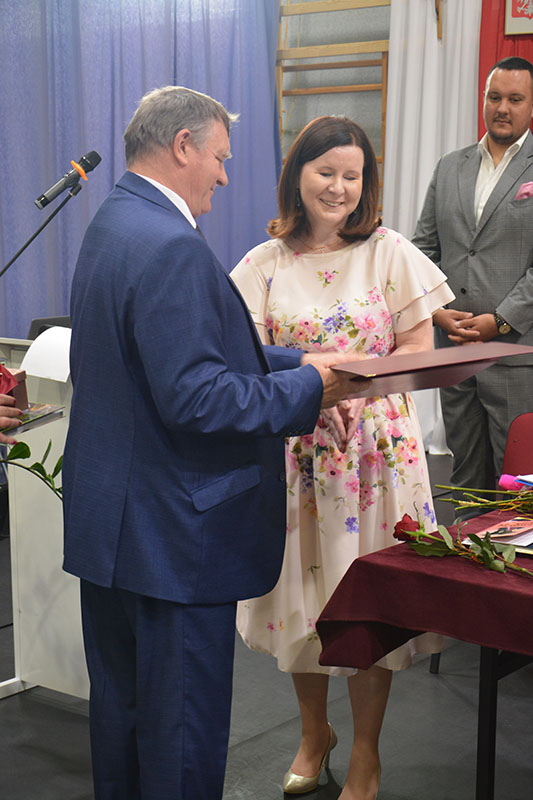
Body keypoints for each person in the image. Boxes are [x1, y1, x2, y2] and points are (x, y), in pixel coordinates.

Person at [61, 87, 358, 800]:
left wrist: (299, 362)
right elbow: (198, 396)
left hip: (116, 530)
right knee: (179, 745)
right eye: (220, 157)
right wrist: (311, 389)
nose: (225, 176)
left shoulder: (114, 221)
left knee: (124, 731)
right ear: (183, 146)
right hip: (173, 540)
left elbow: (174, 352)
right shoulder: (172, 245)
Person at [231, 115, 453, 800]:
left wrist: (363, 386)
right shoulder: (262, 264)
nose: (338, 187)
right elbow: (245, 359)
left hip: (376, 457)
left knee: (368, 600)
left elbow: (419, 349)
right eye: (325, 172)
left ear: (366, 183)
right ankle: (313, 732)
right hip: (299, 453)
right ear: (297, 175)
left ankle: (364, 753)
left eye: (351, 176)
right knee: (304, 598)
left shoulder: (388, 252)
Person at [413, 56, 533, 492]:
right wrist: (437, 312)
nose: (502, 108)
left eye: (515, 99)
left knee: (517, 482)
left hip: (515, 354)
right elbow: (422, 251)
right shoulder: (450, 166)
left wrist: (498, 321)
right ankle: (462, 540)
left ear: (531, 105)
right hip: (454, 350)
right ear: (483, 99)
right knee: (465, 479)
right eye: (494, 97)